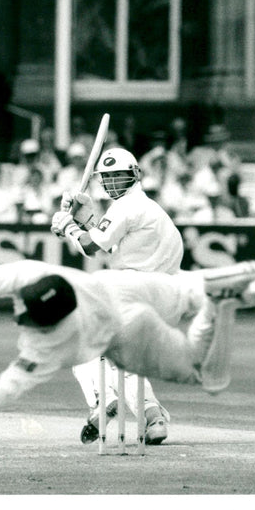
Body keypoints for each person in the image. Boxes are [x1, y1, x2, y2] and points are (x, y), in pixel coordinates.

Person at [0, 259, 255, 434]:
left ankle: (219, 304)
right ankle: (247, 291)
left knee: (203, 373)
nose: (18, 313)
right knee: (189, 290)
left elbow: (10, 386)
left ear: (41, 322)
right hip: (121, 285)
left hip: (124, 335)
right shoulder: (46, 278)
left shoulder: (48, 344)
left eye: (23, 313)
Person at [51, 147, 182, 445]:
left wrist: (67, 226)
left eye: (118, 177)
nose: (111, 183)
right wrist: (84, 218)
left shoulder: (126, 207)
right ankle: (154, 418)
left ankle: (103, 401)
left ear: (135, 175)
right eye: (107, 178)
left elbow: (91, 247)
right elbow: (111, 244)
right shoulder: (148, 209)